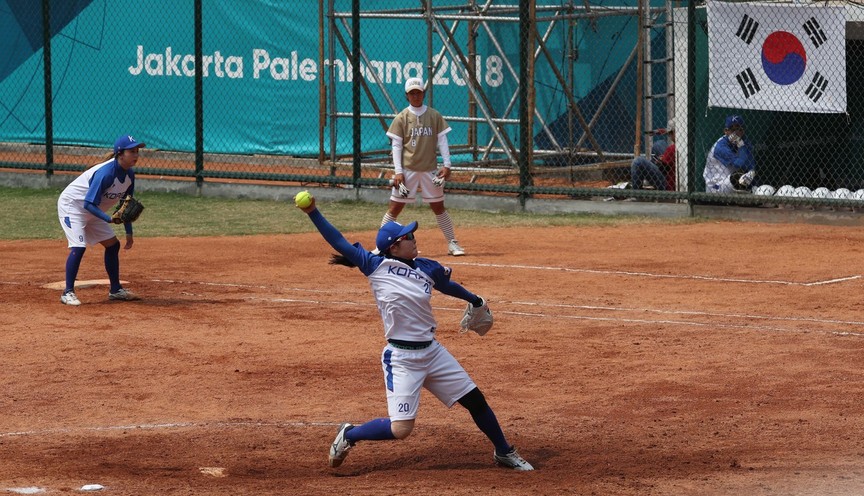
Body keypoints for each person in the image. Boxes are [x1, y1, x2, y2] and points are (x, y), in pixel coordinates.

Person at [296, 194, 533, 471]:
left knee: (475, 400)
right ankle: (350, 434)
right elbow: (337, 240)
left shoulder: (426, 268)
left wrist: (474, 299)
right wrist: (312, 211)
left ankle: (503, 451)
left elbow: (449, 287)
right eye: (408, 236)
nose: (413, 237)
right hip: (402, 359)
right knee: (401, 430)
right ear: (395, 247)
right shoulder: (374, 266)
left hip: (432, 352)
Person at [379, 77, 465, 256]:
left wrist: (447, 165)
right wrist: (398, 172)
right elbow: (396, 146)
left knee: (438, 206)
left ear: (424, 94)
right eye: (412, 93)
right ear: (406, 96)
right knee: (394, 208)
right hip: (407, 170)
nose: (415, 96)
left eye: (418, 92)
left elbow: (442, 141)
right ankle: (381, 245)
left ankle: (452, 243)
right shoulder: (402, 117)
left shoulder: (434, 115)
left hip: (430, 170)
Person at [56, 135, 145, 305]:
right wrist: (108, 219)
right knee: (79, 246)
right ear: (120, 153)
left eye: (137, 151)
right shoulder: (106, 174)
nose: (135, 155)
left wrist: (129, 233)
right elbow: (88, 203)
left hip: (94, 211)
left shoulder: (129, 176)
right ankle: (67, 293)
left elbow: (126, 206)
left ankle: (116, 290)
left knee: (113, 245)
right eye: (131, 151)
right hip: (73, 207)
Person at [704, 114, 756, 193]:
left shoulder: (745, 141)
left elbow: (751, 164)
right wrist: (740, 144)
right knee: (737, 176)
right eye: (732, 129)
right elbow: (739, 164)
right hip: (716, 186)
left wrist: (751, 173)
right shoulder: (721, 146)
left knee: (749, 178)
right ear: (726, 131)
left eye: (739, 129)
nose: (736, 133)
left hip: (731, 182)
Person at [630, 120, 676, 191]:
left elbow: (663, 167)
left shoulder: (672, 149)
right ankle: (649, 176)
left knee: (638, 161)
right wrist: (660, 131)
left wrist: (660, 161)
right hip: (671, 170)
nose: (669, 136)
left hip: (667, 184)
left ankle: (636, 194)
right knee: (659, 144)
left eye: (670, 133)